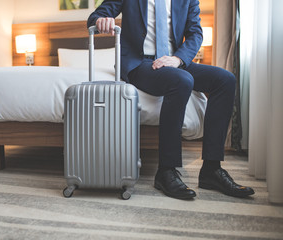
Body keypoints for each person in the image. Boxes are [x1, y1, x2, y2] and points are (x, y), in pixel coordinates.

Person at [87, 0, 255, 199]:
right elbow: (95, 16)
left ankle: (211, 169)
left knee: (225, 79)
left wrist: (178, 59)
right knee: (182, 81)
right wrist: (100, 20)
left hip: (174, 60)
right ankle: (166, 170)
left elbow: (195, 33)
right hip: (139, 62)